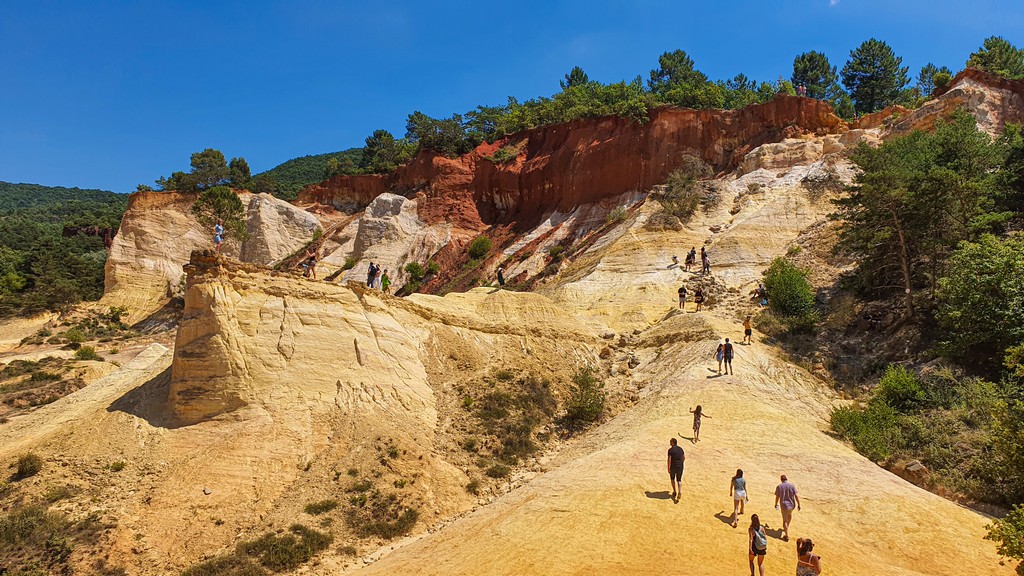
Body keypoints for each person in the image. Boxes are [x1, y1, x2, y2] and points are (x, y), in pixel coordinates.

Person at [775, 474, 801, 542]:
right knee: (789, 516)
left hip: (784, 506)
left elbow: (777, 497)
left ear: (781, 480)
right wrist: (799, 504)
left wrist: (776, 504)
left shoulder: (779, 486)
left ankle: (786, 535)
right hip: (792, 505)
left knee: (785, 520)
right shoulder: (792, 485)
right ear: (786, 479)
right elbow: (796, 496)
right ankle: (786, 527)